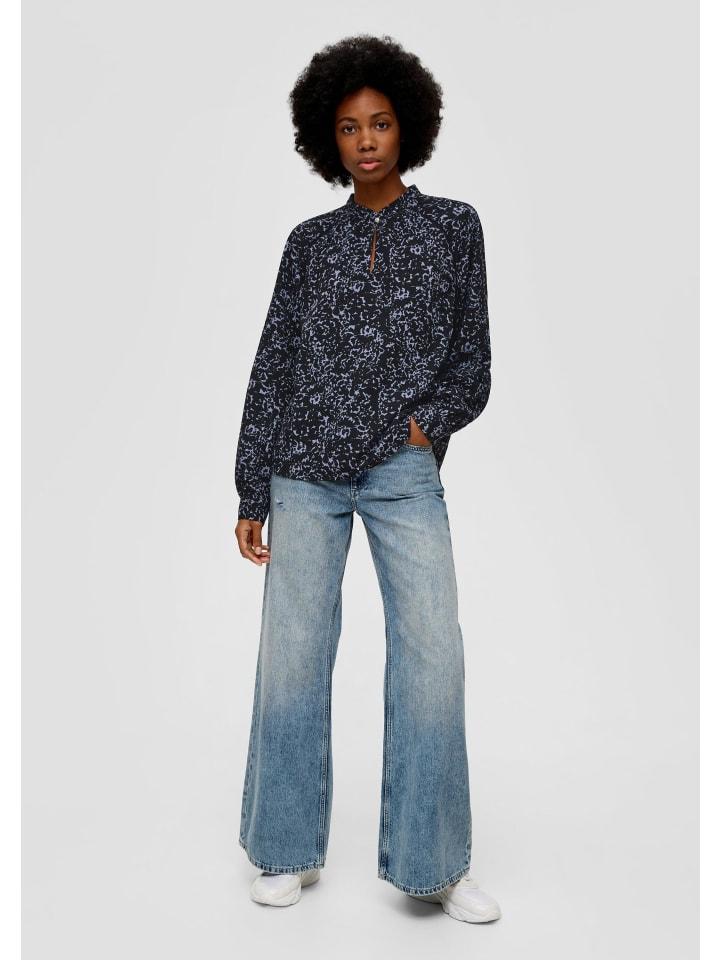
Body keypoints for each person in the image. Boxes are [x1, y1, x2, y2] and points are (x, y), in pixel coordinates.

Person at [234, 34, 500, 924]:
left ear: (408, 127)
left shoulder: (454, 227)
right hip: (303, 470)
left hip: (400, 469)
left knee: (433, 658)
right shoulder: (309, 244)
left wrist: (430, 427)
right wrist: (252, 486)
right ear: (329, 139)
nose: (366, 141)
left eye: (380, 123)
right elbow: (274, 365)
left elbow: (473, 359)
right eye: (349, 128)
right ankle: (282, 850)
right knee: (292, 659)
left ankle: (435, 864)